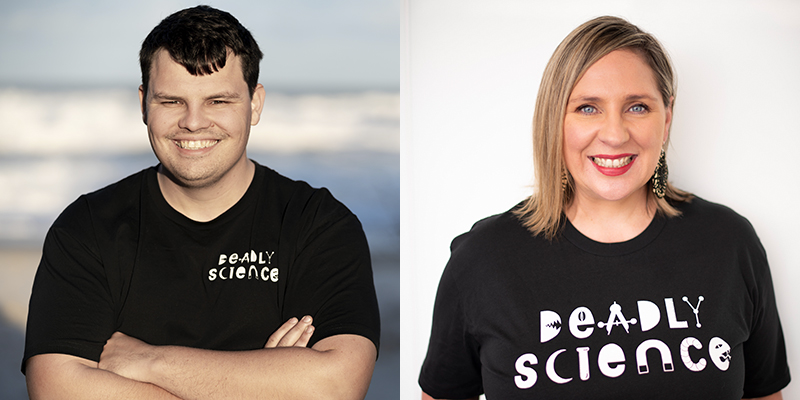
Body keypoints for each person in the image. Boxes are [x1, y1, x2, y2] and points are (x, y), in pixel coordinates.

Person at [418, 16, 789, 400]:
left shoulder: (729, 242)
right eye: (588, 108)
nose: (614, 134)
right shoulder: (484, 258)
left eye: (638, 107)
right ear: (554, 120)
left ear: (667, 118)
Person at [23, 5, 380, 399]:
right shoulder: (87, 228)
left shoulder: (319, 225)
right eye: (172, 101)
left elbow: (337, 385)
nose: (193, 122)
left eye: (218, 101)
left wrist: (150, 361)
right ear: (144, 104)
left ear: (255, 103)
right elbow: (55, 389)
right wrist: (265, 385)